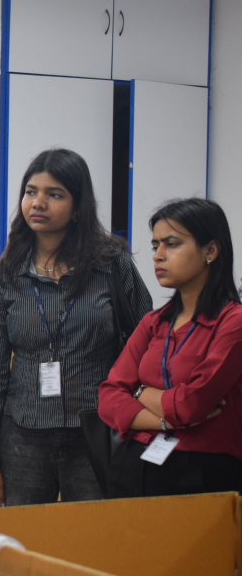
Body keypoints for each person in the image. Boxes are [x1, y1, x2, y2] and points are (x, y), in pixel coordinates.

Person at [0, 148, 151, 508]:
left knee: (94, 536)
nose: (38, 203)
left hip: (98, 430)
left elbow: (148, 344)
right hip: (22, 437)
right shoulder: (5, 275)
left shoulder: (112, 265)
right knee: (22, 538)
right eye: (31, 192)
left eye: (54, 194)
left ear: (78, 206)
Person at [99, 198, 242, 497]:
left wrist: (139, 392)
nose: (158, 255)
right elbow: (109, 397)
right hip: (135, 462)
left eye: (172, 244)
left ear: (210, 251)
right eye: (156, 246)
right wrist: (162, 419)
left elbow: (192, 404)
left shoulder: (233, 321)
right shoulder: (154, 322)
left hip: (202, 470)